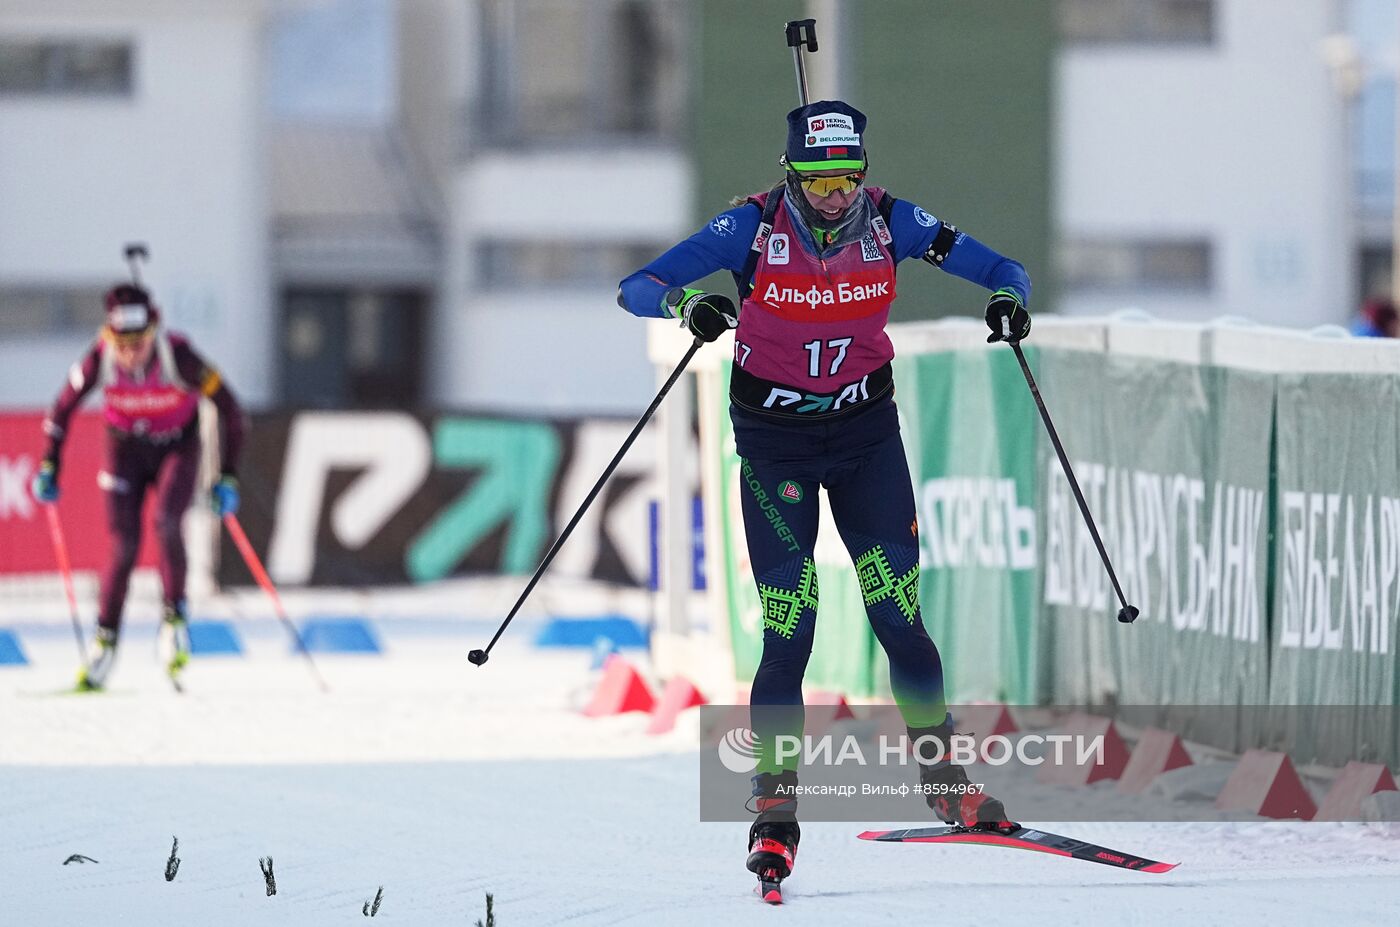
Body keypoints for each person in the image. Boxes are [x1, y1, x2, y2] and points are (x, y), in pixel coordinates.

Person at [617, 100, 1031, 887]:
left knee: (899, 618)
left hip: (867, 439)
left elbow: (1002, 268)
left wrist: (1008, 301)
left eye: (847, 177)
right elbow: (636, 285)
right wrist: (688, 305)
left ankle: (947, 785)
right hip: (776, 447)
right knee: (789, 631)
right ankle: (775, 814)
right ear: (792, 175)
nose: (835, 195)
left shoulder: (892, 222)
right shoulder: (750, 229)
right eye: (818, 180)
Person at [31, 283, 245, 690]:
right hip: (124, 449)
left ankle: (174, 623)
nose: (130, 354)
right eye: (122, 344)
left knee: (167, 522)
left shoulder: (179, 356)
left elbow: (231, 410)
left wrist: (228, 475)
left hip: (176, 447)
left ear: (154, 333)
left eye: (139, 343)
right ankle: (104, 643)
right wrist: (49, 463)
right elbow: (61, 409)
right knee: (123, 543)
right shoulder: (100, 359)